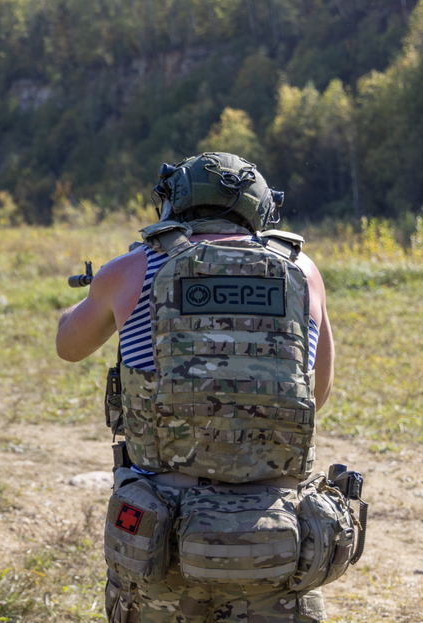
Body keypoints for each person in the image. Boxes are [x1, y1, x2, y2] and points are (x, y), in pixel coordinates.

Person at [56, 153, 345, 623]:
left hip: (161, 535)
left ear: (174, 203)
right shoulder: (302, 271)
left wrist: (94, 295)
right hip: (274, 534)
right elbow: (319, 393)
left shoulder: (131, 269)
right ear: (260, 208)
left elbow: (69, 346)